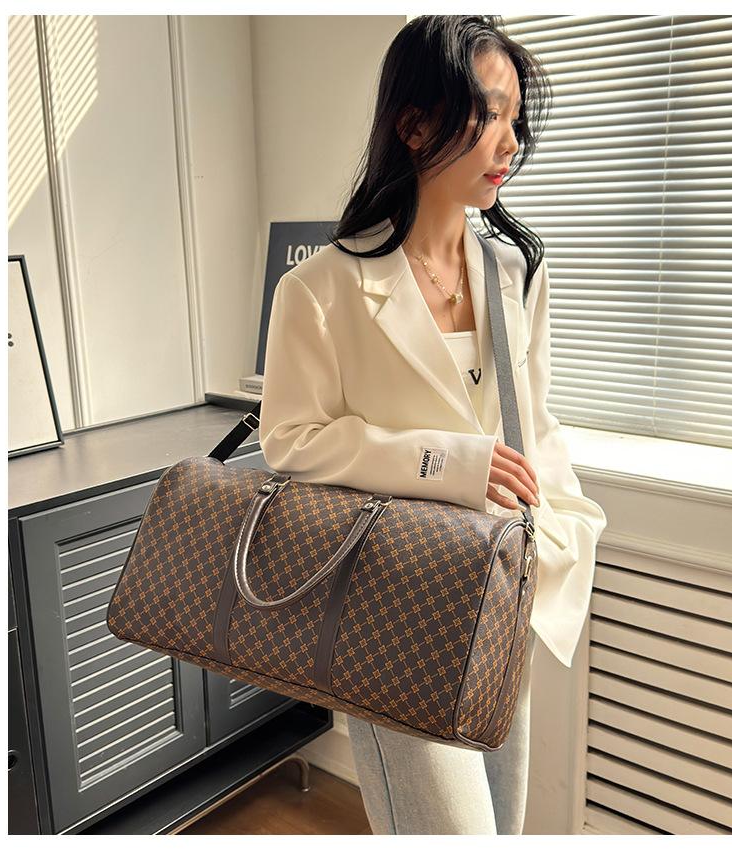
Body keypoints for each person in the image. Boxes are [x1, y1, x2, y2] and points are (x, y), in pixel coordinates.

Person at [258, 14, 608, 836]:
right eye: (488, 114)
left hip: (502, 596)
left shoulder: (518, 270)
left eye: (516, 118)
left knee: (503, 825)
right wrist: (447, 461)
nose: (511, 141)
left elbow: (536, 425)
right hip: (393, 612)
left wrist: (562, 530)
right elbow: (291, 443)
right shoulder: (321, 289)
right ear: (414, 126)